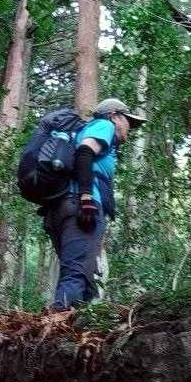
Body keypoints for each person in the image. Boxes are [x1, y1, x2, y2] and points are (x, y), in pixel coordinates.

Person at [44, 97, 146, 310]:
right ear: (114, 117)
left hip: (60, 207)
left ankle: (70, 323)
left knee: (83, 275)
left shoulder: (84, 132)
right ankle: (57, 323)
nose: (129, 127)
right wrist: (86, 197)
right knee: (76, 273)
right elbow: (85, 152)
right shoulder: (104, 125)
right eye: (128, 121)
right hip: (80, 207)